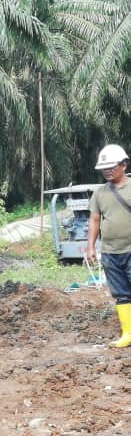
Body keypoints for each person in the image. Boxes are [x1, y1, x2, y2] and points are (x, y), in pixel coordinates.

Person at [86, 144, 131, 348]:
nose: (107, 171)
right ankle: (128, 334)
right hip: (111, 253)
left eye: (111, 166)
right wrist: (91, 247)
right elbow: (95, 220)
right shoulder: (99, 193)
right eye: (104, 168)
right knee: (121, 293)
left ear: (123, 165)